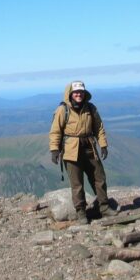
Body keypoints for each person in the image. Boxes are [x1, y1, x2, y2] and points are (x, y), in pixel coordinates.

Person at [49, 80, 115, 222]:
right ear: (70, 94)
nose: (79, 94)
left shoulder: (91, 109)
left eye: (81, 92)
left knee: (99, 177)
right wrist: (54, 150)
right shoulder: (62, 110)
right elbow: (55, 131)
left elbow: (99, 128)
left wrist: (103, 145)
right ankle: (81, 213)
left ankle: (104, 207)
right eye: (76, 92)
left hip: (89, 146)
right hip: (71, 149)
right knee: (77, 183)